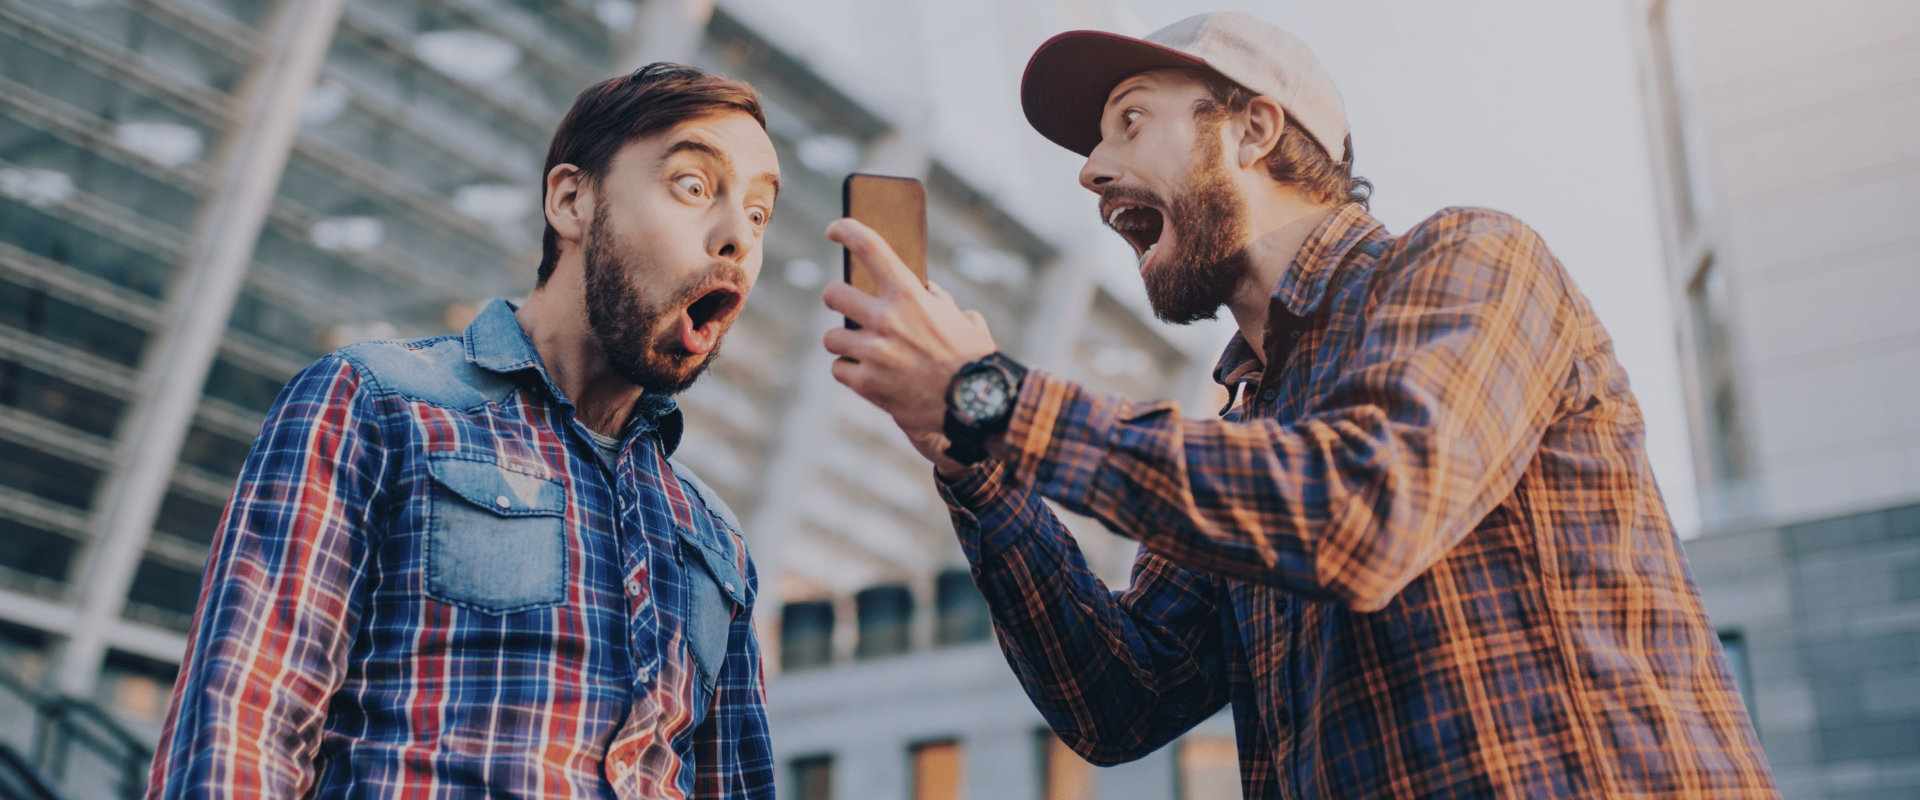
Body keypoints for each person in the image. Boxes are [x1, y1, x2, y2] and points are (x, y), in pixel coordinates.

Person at [820, 12, 1778, 798]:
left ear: (1253, 130)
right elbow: (1120, 697)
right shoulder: (1252, 434)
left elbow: (1365, 508)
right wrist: (973, 461)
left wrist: (995, 397)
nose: (1090, 171)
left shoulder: (1473, 261)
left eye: (1130, 122)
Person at [148, 63, 780, 799]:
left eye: (761, 214)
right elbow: (239, 733)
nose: (737, 234)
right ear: (572, 200)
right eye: (694, 186)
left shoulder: (714, 542)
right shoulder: (374, 404)